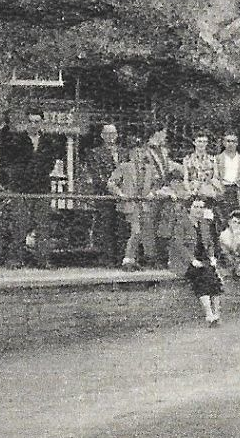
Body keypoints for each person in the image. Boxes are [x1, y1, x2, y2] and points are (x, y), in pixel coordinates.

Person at [0, 106, 65, 268]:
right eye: (31, 121)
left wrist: (39, 173)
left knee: (43, 225)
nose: (34, 125)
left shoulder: (49, 141)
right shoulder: (16, 140)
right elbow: (7, 162)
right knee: (19, 223)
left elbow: (50, 162)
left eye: (37, 121)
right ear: (26, 122)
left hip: (41, 187)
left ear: (42, 123)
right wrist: (11, 180)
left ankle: (43, 260)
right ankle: (15, 259)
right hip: (20, 187)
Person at [106, 129, 165, 270]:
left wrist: (153, 193)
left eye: (141, 152)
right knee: (136, 232)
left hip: (145, 204)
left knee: (148, 233)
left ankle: (148, 259)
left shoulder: (150, 169)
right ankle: (128, 259)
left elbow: (158, 183)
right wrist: (120, 194)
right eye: (135, 152)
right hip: (131, 205)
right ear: (131, 154)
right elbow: (111, 182)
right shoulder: (124, 167)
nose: (139, 155)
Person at [175, 197, 224, 327]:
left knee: (213, 277)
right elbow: (178, 244)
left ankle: (216, 313)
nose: (198, 210)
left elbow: (210, 243)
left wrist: (212, 256)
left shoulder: (204, 224)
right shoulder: (182, 223)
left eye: (201, 207)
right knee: (202, 276)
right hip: (186, 261)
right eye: (195, 207)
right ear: (189, 208)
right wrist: (192, 260)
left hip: (203, 259)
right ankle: (209, 314)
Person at [85, 123, 127, 266]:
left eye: (113, 133)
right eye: (107, 133)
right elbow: (98, 175)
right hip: (105, 195)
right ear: (102, 136)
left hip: (123, 196)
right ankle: (108, 258)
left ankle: (121, 257)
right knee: (106, 226)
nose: (111, 137)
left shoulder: (124, 152)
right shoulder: (95, 153)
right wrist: (112, 188)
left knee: (122, 227)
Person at [215, 132, 240, 220]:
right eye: (228, 141)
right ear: (224, 143)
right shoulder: (217, 159)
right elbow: (214, 177)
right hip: (223, 191)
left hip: (239, 191)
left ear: (237, 143)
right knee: (224, 221)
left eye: (233, 141)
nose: (230, 144)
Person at [182, 134, 222, 208]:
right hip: (193, 193)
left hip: (208, 194)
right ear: (194, 143)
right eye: (199, 141)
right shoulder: (187, 160)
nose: (202, 144)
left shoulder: (212, 160)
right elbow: (186, 178)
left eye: (204, 142)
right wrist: (189, 191)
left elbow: (215, 177)